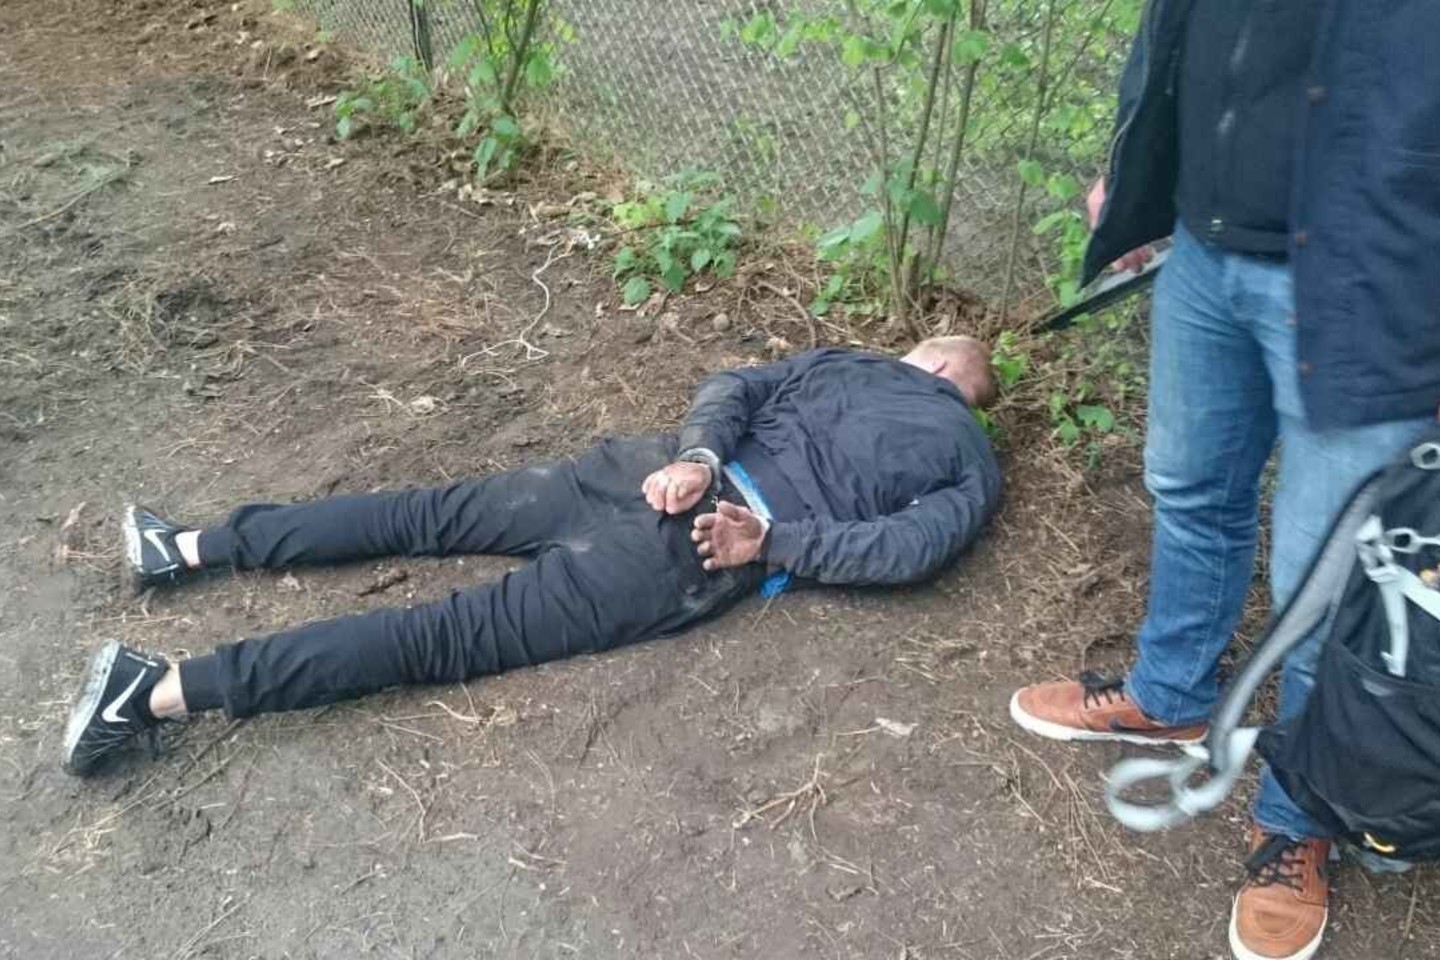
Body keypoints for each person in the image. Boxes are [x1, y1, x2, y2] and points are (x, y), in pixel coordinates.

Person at [1008, 4, 1440, 960]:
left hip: (1372, 284)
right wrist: (1135, 176)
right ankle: (1170, 694)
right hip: (1204, 253)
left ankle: (1299, 817)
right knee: (1190, 490)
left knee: (1324, 588)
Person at [65, 338, 1001, 778]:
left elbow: (734, 385)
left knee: (421, 515)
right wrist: (772, 539)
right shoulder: (971, 460)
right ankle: (155, 693)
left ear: (928, 361)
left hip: (645, 476)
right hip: (703, 545)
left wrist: (695, 456)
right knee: (443, 637)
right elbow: (910, 547)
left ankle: (185, 547)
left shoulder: (850, 362)